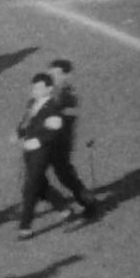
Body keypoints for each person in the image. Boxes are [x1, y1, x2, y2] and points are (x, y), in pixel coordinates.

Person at [13, 73, 70, 240]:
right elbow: (28, 121)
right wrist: (20, 133)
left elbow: (54, 131)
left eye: (38, 88)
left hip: (43, 152)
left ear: (49, 89)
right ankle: (63, 206)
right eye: (34, 87)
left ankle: (25, 226)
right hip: (30, 151)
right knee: (39, 184)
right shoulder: (32, 103)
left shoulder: (54, 107)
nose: (34, 91)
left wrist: (37, 141)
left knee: (30, 188)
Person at [46, 59, 99, 221]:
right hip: (50, 139)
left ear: (66, 75)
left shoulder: (68, 93)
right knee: (42, 174)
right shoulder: (54, 90)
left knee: (64, 175)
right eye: (51, 73)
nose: (52, 76)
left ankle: (89, 204)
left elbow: (70, 116)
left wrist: (53, 116)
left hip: (60, 141)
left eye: (56, 74)